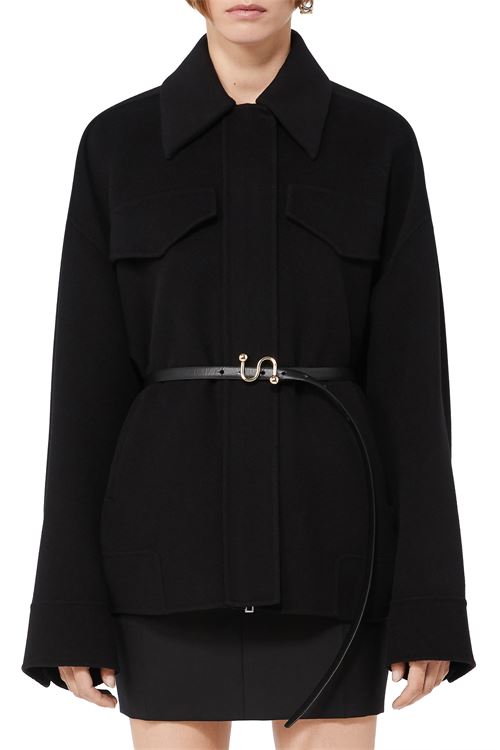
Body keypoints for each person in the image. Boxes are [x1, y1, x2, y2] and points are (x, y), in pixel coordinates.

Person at [21, 1, 476, 748]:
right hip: (164, 562)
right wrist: (68, 611)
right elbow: (83, 392)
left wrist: (429, 604)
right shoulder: (117, 143)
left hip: (333, 557)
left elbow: (416, 392)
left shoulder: (377, 142)